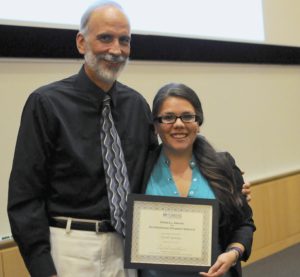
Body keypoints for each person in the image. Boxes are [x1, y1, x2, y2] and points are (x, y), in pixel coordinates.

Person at [7, 1, 251, 277]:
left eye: (124, 40)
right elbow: (24, 196)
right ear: (81, 42)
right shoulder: (46, 104)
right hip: (70, 248)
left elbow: (158, 165)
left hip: (130, 247)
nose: (116, 49)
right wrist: (42, 268)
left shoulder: (137, 105)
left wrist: (226, 180)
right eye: (105, 38)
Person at [140, 83, 255, 277]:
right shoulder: (140, 167)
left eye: (187, 116)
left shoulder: (223, 165)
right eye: (168, 117)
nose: (178, 124)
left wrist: (233, 253)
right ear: (156, 126)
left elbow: (244, 224)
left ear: (198, 122)